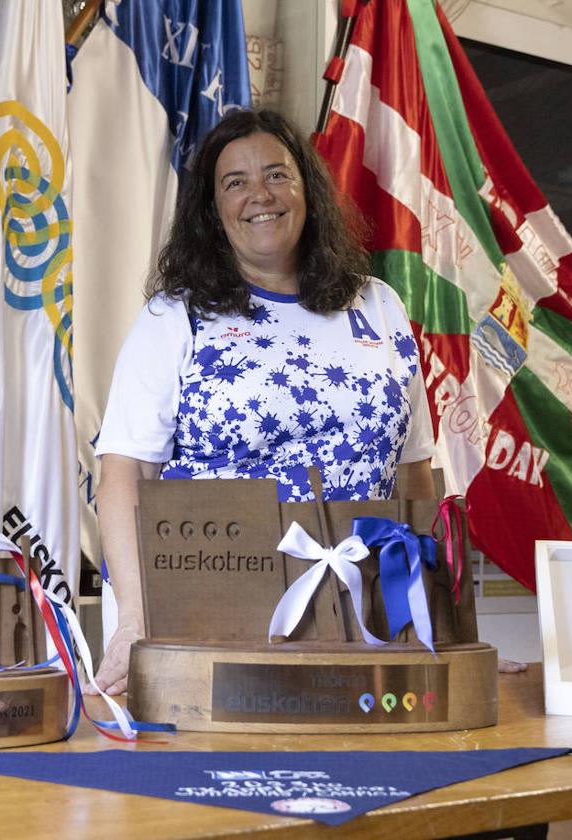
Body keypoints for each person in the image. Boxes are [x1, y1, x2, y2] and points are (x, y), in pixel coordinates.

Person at [88, 108, 437, 696]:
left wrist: (436, 621)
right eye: (235, 182)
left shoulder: (379, 306)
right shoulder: (175, 317)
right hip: (209, 606)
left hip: (362, 613)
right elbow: (125, 470)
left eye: (277, 174)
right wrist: (135, 619)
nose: (260, 195)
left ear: (308, 189)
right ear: (212, 210)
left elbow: (412, 475)